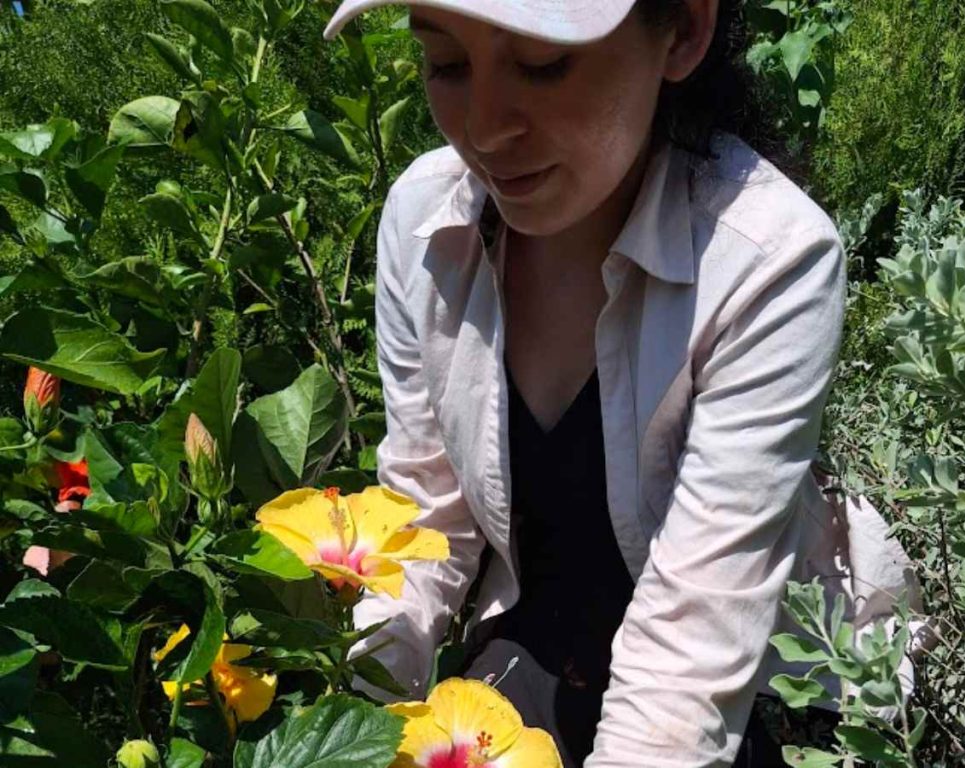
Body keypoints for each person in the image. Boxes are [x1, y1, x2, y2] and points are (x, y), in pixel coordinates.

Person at [323, 1, 919, 766]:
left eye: (542, 64)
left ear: (684, 29)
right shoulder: (424, 222)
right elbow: (423, 520)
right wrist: (349, 734)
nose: (484, 128)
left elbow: (691, 653)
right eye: (446, 64)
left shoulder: (769, 263)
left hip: (743, 701)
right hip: (529, 670)